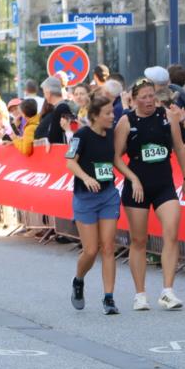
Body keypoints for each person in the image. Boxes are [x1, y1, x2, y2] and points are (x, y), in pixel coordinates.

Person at [113, 77, 185, 311]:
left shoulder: (167, 116)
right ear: (134, 99)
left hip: (163, 184)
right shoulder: (126, 121)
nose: (149, 101)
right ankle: (140, 294)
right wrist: (133, 178)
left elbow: (178, 147)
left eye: (152, 96)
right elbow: (116, 157)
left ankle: (167, 291)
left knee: (172, 231)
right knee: (139, 240)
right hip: (137, 187)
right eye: (144, 97)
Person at [65, 95, 121, 315]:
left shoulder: (111, 135)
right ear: (95, 116)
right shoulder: (82, 135)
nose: (112, 117)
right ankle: (79, 280)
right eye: (107, 113)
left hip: (107, 194)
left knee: (108, 247)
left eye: (112, 112)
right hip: (85, 198)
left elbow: (116, 160)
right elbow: (70, 162)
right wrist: (86, 178)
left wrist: (132, 177)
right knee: (90, 250)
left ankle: (109, 298)